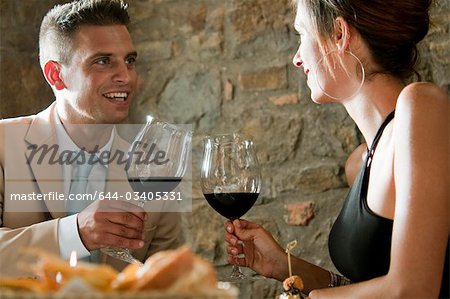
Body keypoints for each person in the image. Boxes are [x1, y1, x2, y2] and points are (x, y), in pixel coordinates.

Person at [225, 0, 449, 298]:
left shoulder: (422, 104)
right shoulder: (359, 164)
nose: (296, 58)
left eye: (302, 34)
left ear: (340, 35)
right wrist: (285, 266)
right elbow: (372, 289)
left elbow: (413, 289)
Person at [0, 0, 182, 276]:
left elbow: (173, 280)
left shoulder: (153, 168)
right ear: (56, 75)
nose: (126, 77)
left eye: (129, 61)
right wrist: (77, 232)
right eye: (103, 61)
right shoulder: (3, 143)